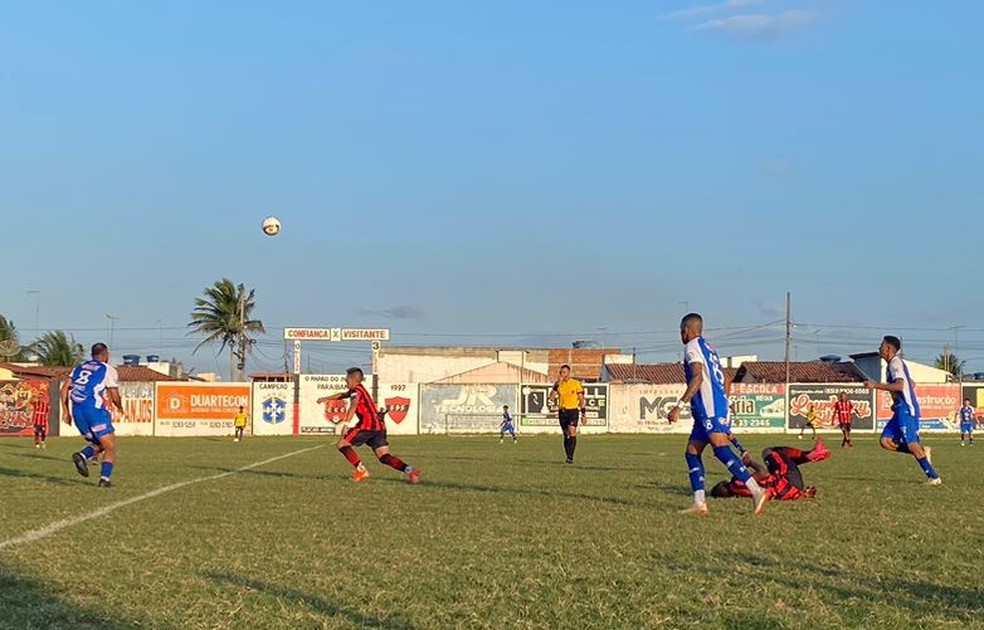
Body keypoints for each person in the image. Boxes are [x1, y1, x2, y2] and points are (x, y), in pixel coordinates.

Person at [668, 313, 768, 516]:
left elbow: (696, 378)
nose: (681, 335)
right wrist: (726, 402)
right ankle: (699, 502)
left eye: (681, 331)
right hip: (709, 407)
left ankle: (757, 491)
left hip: (709, 408)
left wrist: (679, 406)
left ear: (687, 330)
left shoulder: (692, 347)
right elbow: (727, 378)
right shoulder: (709, 348)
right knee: (692, 453)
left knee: (720, 448)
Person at [320, 367, 420, 484]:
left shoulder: (356, 391)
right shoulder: (358, 389)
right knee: (384, 457)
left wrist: (346, 424)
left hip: (367, 426)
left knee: (341, 444)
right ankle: (410, 470)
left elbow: (353, 405)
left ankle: (361, 470)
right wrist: (325, 398)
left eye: (347, 378)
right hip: (378, 427)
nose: (345, 380)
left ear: (353, 379)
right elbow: (343, 395)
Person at [864, 335, 941, 485]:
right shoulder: (892, 365)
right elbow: (911, 383)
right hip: (900, 408)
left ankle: (933, 476)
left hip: (906, 409)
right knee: (885, 441)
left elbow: (900, 385)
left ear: (888, 349)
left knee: (911, 443)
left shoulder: (895, 364)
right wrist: (898, 400)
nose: (879, 348)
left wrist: (875, 385)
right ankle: (922, 451)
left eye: (881, 346)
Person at [61, 343, 125, 487]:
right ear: (105, 354)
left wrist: (66, 411)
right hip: (94, 411)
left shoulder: (79, 368)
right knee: (110, 446)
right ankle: (105, 479)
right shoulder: (107, 369)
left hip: (77, 412)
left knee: (99, 443)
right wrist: (120, 407)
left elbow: (64, 388)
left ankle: (82, 455)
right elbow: (114, 396)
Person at [710, 439, 830, 501]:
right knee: (770, 452)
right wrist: (750, 462)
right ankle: (809, 455)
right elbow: (763, 473)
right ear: (723, 484)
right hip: (788, 479)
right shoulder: (737, 482)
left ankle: (809, 456)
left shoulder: (741, 493)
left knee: (782, 459)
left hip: (792, 488)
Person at [548, 364, 585, 464]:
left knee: (572, 432)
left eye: (563, 372)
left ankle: (570, 457)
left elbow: (581, 399)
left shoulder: (576, 383)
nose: (562, 374)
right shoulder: (559, 384)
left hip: (572, 410)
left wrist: (583, 413)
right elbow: (551, 397)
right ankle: (568, 455)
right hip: (562, 411)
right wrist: (556, 386)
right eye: (560, 372)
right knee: (566, 434)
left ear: (569, 372)